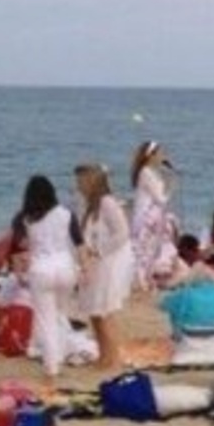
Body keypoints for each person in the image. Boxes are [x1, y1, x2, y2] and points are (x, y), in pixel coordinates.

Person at [18, 175, 83, 380]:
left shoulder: (26, 218)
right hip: (65, 269)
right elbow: (79, 243)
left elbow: (21, 246)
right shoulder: (67, 214)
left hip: (41, 270)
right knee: (59, 314)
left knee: (46, 319)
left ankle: (52, 365)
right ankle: (62, 352)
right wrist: (86, 269)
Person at [76, 163, 134, 373]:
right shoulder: (88, 205)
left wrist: (99, 250)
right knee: (95, 312)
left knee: (105, 312)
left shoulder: (107, 203)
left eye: (81, 181)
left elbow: (123, 232)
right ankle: (104, 356)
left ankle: (114, 359)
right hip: (94, 264)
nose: (78, 186)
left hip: (107, 263)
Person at [129, 140, 178, 289]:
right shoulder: (146, 173)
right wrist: (171, 187)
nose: (162, 156)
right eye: (160, 153)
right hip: (146, 216)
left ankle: (146, 279)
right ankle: (140, 281)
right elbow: (161, 199)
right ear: (151, 155)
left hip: (152, 215)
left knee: (150, 249)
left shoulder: (151, 172)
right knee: (143, 249)